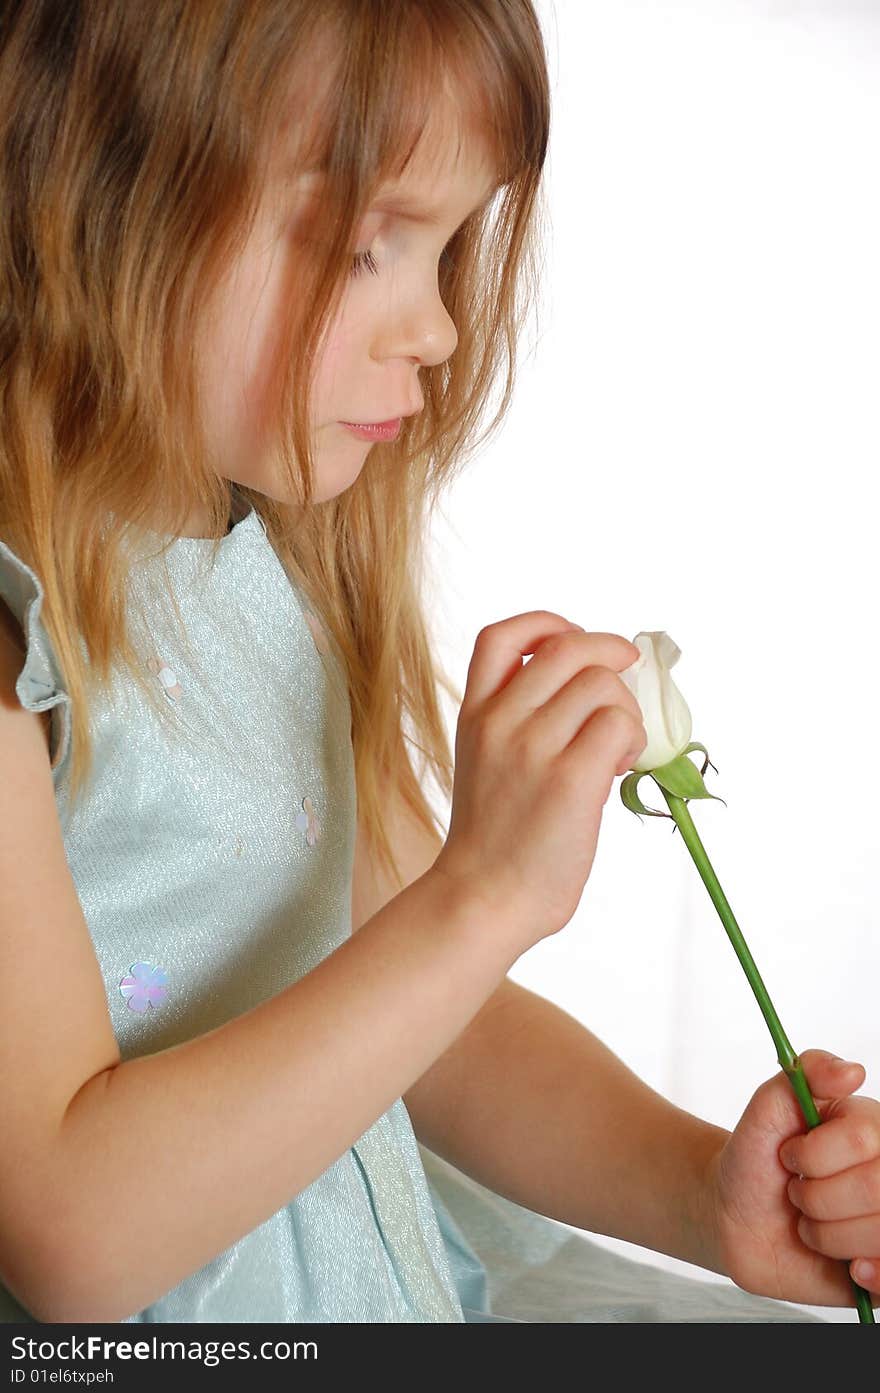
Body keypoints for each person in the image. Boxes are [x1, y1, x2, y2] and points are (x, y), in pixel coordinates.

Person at [0, 0, 876, 1326]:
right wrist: (479, 897)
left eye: (450, 246)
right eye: (370, 248)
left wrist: (705, 1190)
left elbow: (439, 1025)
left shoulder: (267, 556)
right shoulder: (20, 648)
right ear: (102, 192)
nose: (439, 327)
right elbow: (73, 1238)